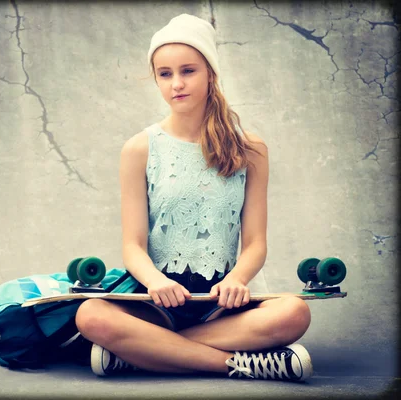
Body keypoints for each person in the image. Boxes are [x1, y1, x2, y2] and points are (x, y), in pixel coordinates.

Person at [74, 14, 313, 381]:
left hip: (222, 304)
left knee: (294, 312)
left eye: (188, 70)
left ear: (210, 73)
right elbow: (133, 245)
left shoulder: (250, 149)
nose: (177, 84)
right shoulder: (139, 148)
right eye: (165, 74)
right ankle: (239, 364)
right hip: (157, 301)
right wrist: (155, 281)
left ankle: (143, 351)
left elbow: (255, 242)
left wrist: (238, 279)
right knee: (90, 315)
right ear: (155, 79)